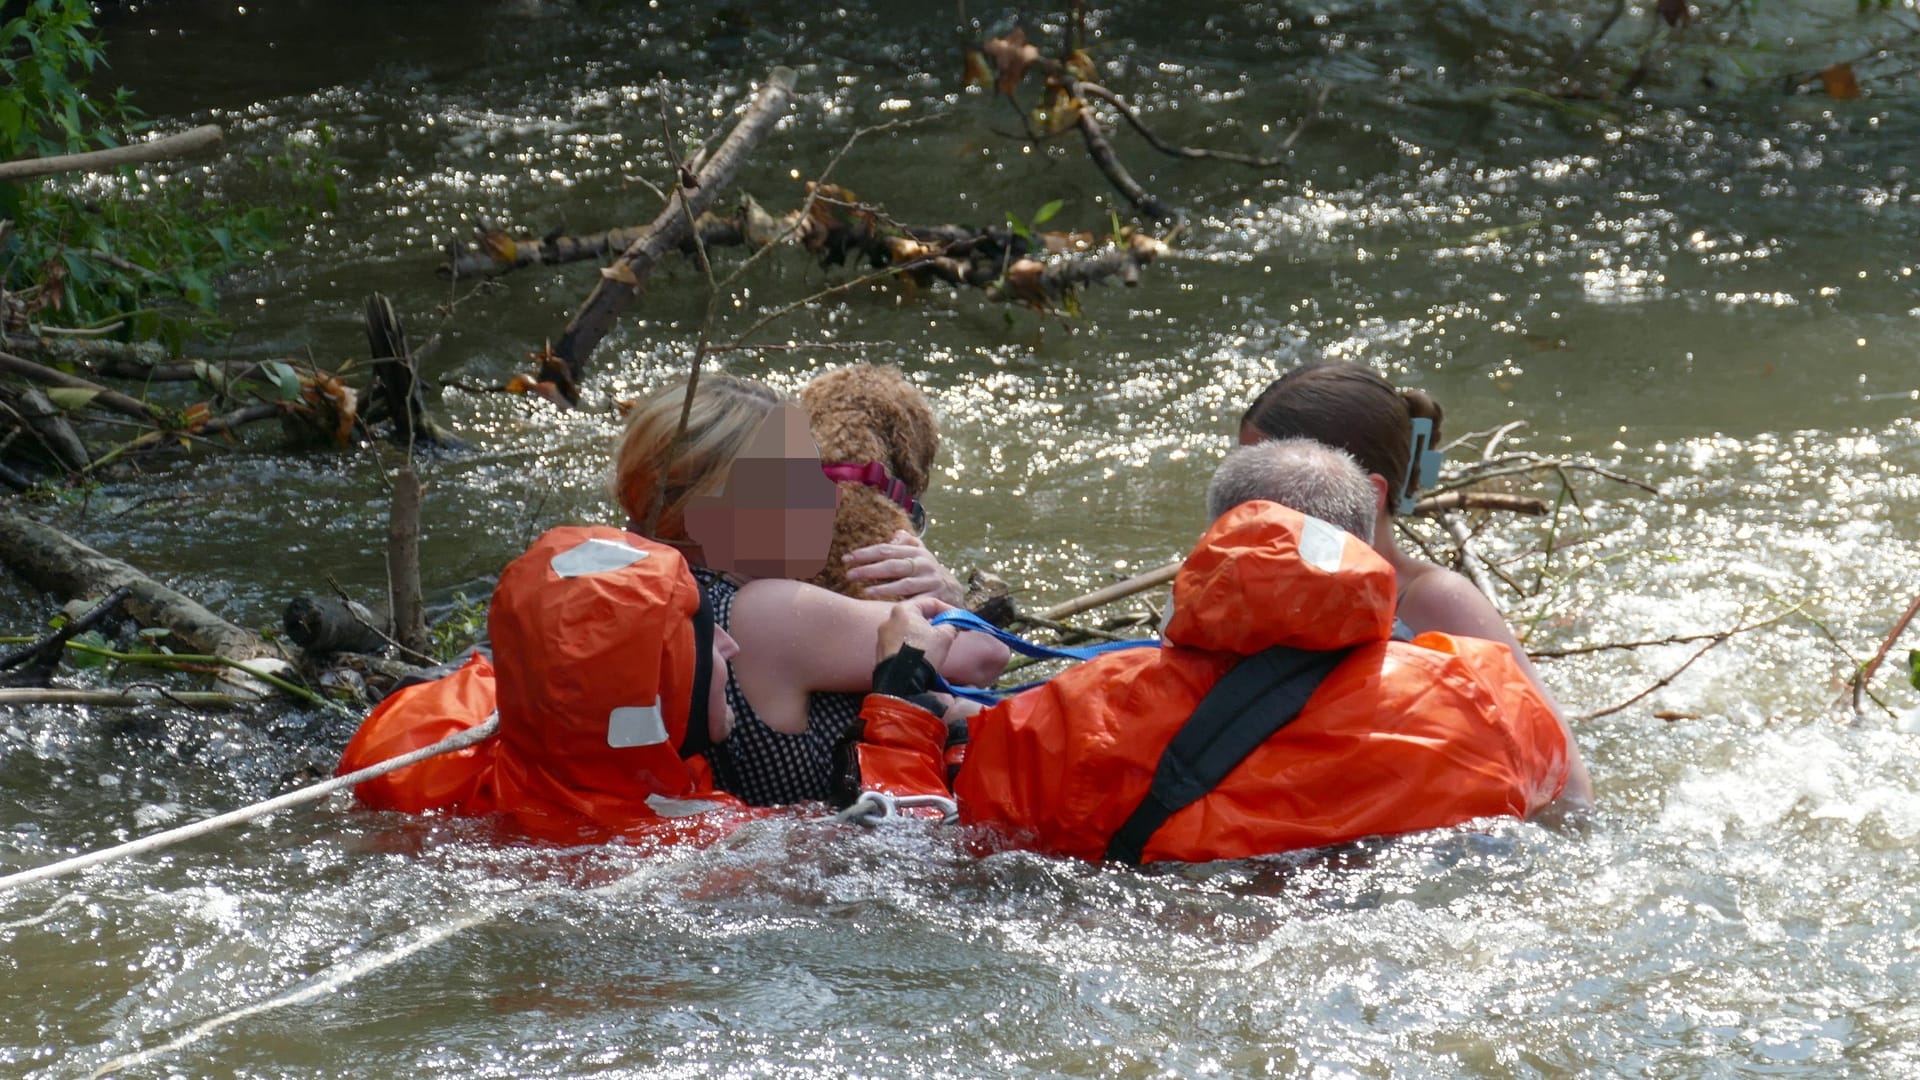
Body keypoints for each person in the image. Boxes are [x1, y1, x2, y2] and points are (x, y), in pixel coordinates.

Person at [835, 440, 1581, 864]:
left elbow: (902, 846)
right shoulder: (1485, 689)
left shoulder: (1084, 713)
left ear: (1215, 547)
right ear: (1366, 544)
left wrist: (903, 690)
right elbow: (1571, 809)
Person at [612, 375, 1008, 807]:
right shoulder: (770, 612)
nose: (834, 499)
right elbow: (985, 655)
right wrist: (947, 590)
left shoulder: (650, 598)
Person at [1238, 362, 1593, 805]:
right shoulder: (1239, 592)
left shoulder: (1433, 601)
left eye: (1263, 490)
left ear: (1368, 495)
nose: (1242, 510)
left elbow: (1566, 784)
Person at [337, 526, 752, 845]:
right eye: (703, 636)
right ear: (664, 695)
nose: (730, 645)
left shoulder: (420, 750)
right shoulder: (706, 843)